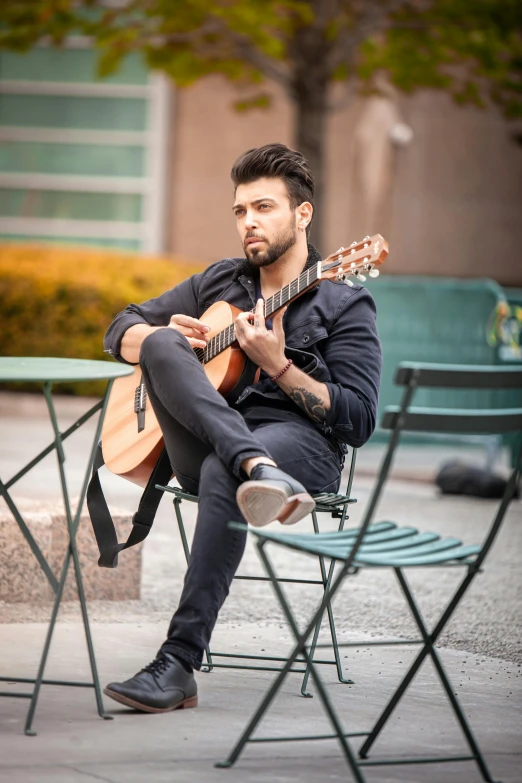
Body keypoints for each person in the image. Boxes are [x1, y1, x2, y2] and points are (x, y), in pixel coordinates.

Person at [102, 142, 382, 714]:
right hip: (219, 444)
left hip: (298, 443)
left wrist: (278, 366)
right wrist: (163, 342)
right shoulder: (220, 283)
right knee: (157, 338)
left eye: (264, 207)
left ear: (303, 214)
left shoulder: (345, 301)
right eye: (240, 211)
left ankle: (177, 664)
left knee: (219, 469)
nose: (249, 222)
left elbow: (358, 420)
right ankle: (253, 464)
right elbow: (119, 328)